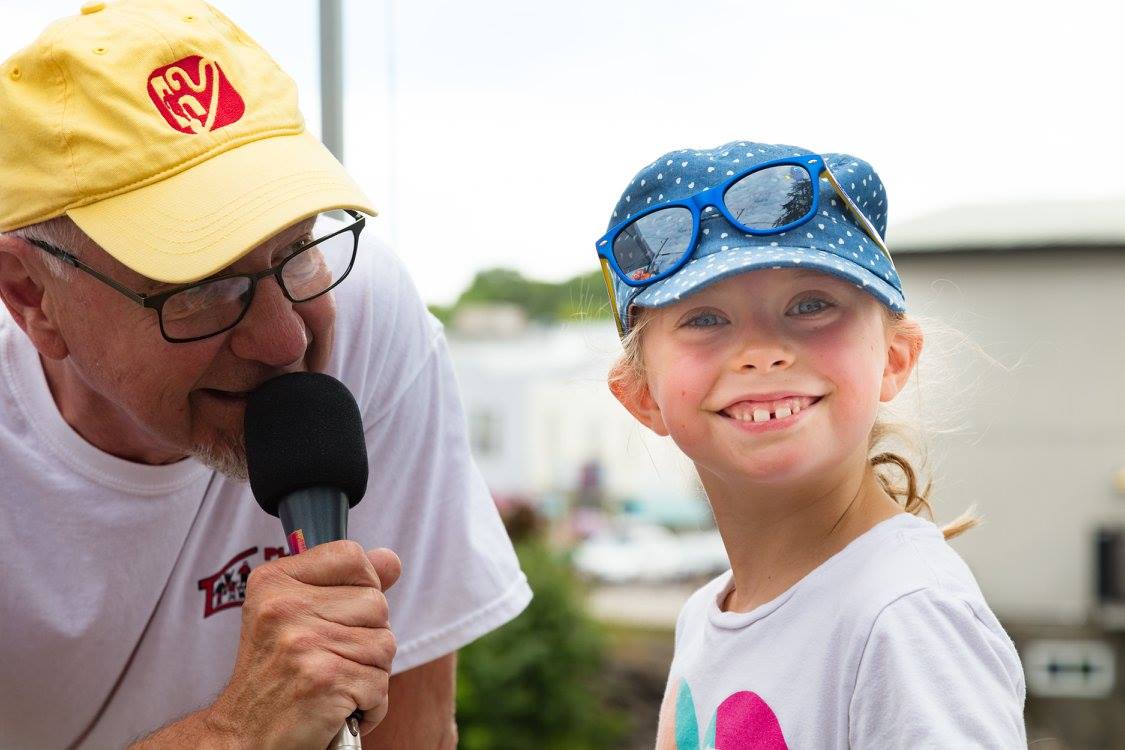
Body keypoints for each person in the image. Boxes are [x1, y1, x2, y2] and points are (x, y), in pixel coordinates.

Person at [0, 2, 531, 748]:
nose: (285, 339)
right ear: (31, 296)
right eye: (202, 285)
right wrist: (236, 733)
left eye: (296, 246)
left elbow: (408, 730)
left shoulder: (362, 309)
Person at [595, 141, 1026, 747]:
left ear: (895, 358)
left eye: (811, 305)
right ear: (641, 394)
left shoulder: (905, 617)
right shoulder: (705, 619)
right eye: (705, 318)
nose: (762, 350)